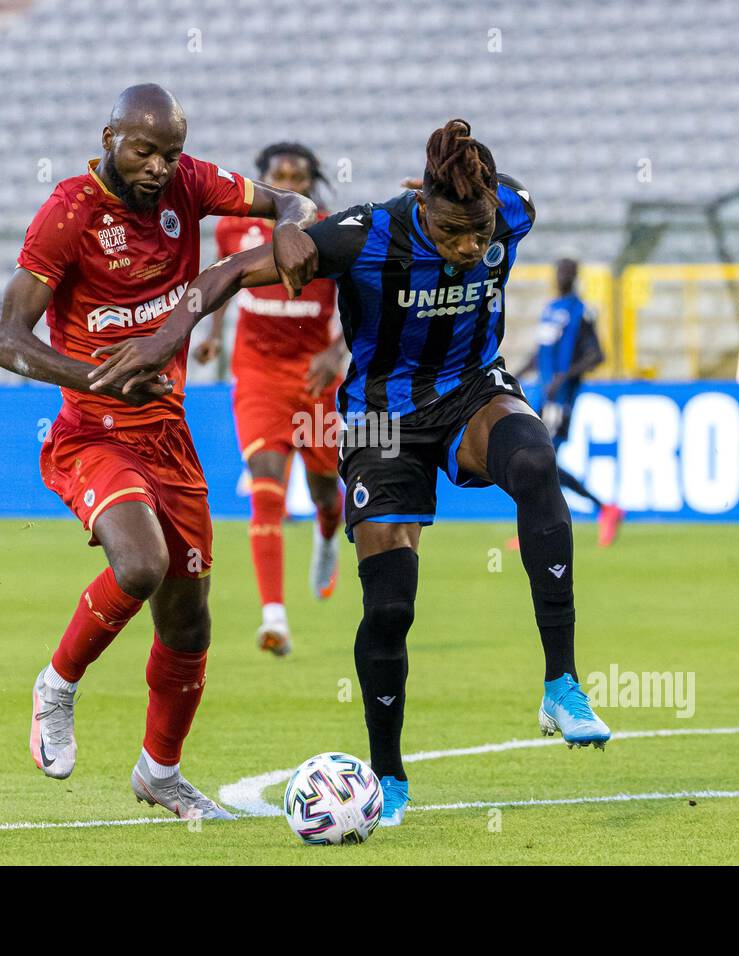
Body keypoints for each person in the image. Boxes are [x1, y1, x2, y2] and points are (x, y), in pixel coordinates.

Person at [89, 119, 612, 829]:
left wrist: (479, 223)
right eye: (454, 234)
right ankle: (389, 777)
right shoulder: (364, 235)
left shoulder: (508, 209)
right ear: (424, 207)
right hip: (380, 419)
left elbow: (503, 208)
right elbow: (233, 272)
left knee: (535, 461)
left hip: (471, 390)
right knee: (391, 607)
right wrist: (168, 336)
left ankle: (561, 682)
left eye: (479, 234)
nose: (469, 248)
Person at [0, 84, 317, 819]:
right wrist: (99, 377)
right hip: (93, 434)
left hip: (169, 437)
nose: (159, 167)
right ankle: (57, 685)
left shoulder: (193, 183)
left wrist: (296, 222)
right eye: (143, 150)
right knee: (140, 563)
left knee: (189, 623)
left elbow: (290, 204)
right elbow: (5, 341)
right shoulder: (69, 214)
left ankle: (160, 774)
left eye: (169, 152)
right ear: (109, 137)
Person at [195, 142, 348, 656]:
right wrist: (212, 334)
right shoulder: (235, 227)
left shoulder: (332, 233)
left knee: (327, 489)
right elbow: (223, 278)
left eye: (298, 176)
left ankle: (329, 534)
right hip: (256, 373)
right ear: (264, 180)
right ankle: (274, 618)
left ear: (311, 183)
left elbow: (364, 302)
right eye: (278, 175)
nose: (289, 183)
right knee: (266, 482)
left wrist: (337, 351)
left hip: (313, 379)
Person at [526, 257, 624, 547]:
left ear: (575, 276)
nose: (562, 276)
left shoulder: (581, 312)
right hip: (544, 397)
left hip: (562, 400)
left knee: (541, 462)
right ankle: (544, 526)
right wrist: (514, 370)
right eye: (559, 271)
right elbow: (540, 353)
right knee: (538, 463)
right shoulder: (550, 310)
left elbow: (597, 356)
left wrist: (563, 377)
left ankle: (602, 509)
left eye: (567, 272)